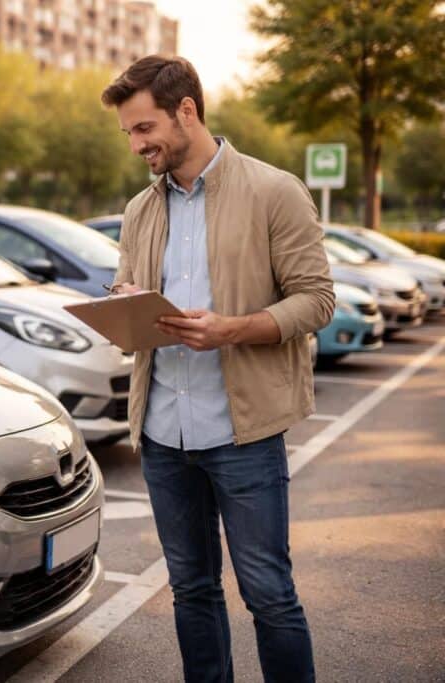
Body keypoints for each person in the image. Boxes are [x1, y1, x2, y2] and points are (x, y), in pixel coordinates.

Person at [101, 55, 333, 682]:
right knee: (191, 591)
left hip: (243, 434)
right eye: (127, 133)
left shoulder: (273, 190)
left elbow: (316, 301)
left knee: (269, 594)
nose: (136, 144)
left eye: (144, 128)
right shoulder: (139, 210)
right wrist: (127, 307)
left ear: (187, 111)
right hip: (161, 434)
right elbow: (142, 304)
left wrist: (232, 329)